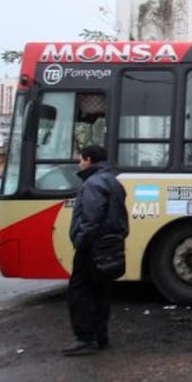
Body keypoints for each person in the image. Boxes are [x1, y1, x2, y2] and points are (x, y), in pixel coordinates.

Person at [63, 144, 128, 356]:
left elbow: (91, 219)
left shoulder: (93, 183)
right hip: (108, 245)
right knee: (101, 291)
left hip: (91, 246)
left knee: (80, 291)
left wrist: (80, 241)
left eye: (81, 159)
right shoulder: (113, 181)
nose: (79, 163)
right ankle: (100, 335)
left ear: (89, 160)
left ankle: (84, 338)